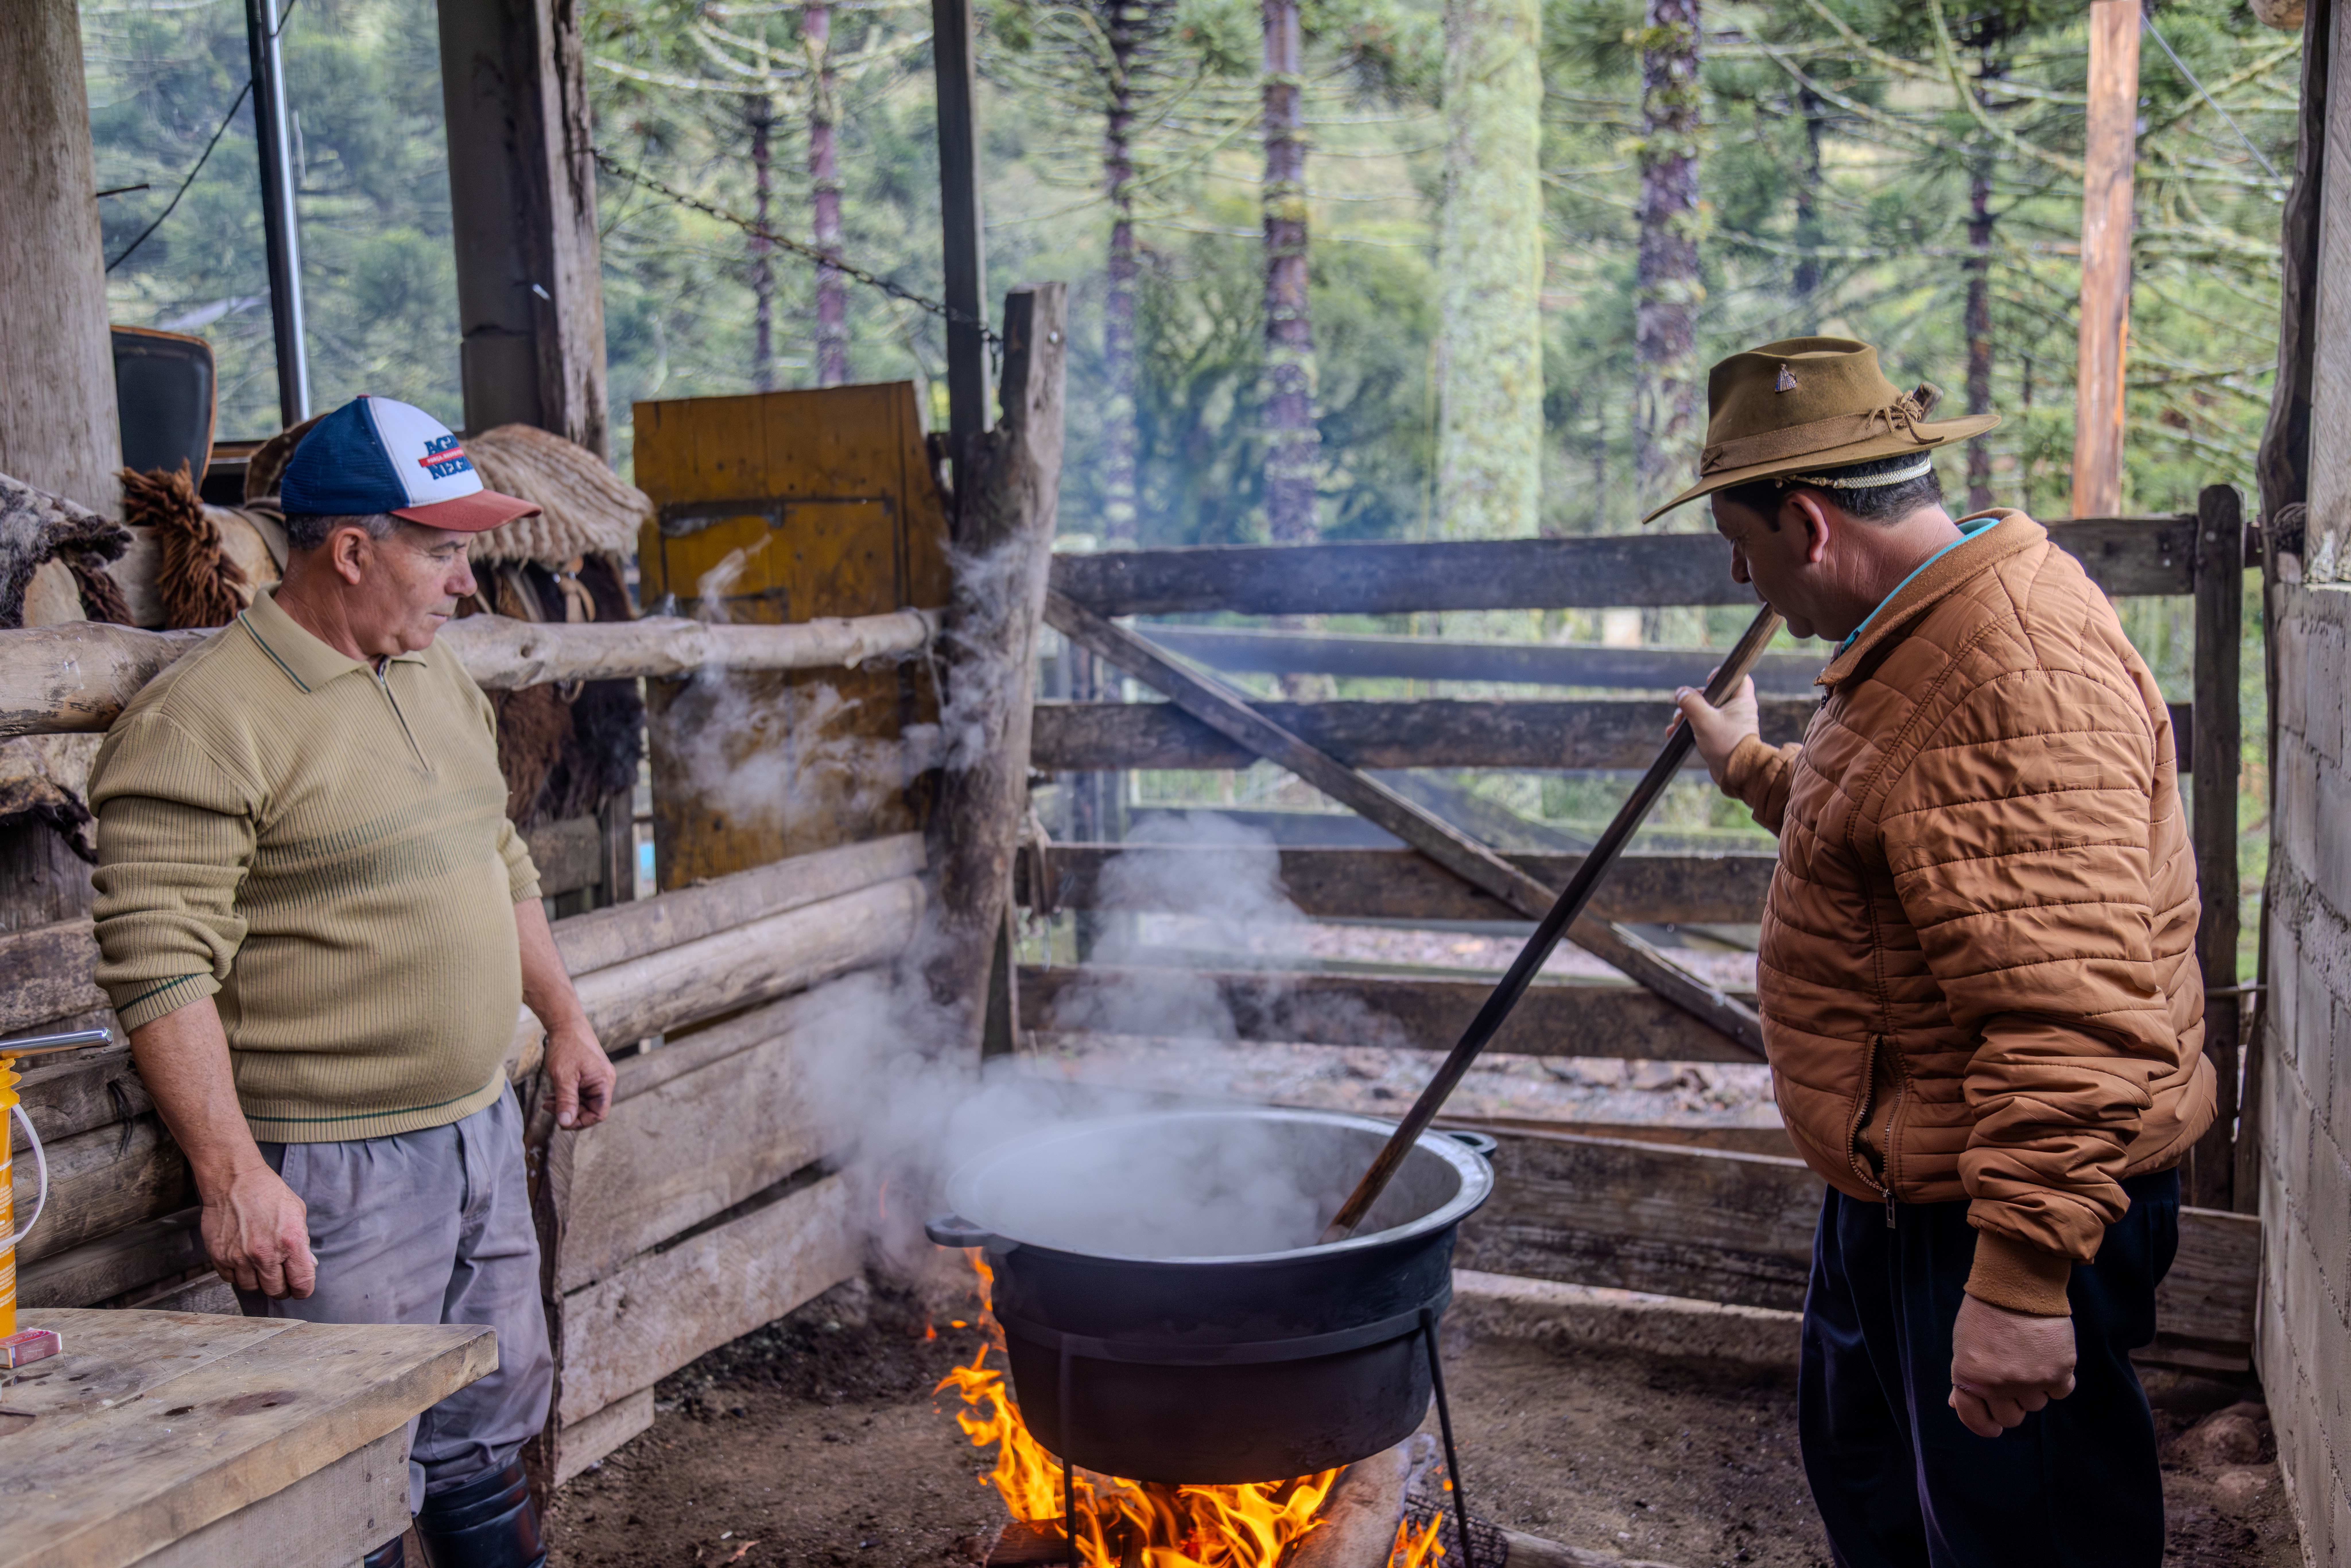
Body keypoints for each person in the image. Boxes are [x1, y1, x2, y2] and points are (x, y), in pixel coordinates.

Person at [1653, 339, 2214, 1567]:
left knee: (2022, 1537)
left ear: (1805, 522)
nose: (1740, 578)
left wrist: (2016, 1285)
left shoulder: (2007, 669)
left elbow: (2069, 1016)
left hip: (2004, 1197)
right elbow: (1917, 822)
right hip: (1920, 1175)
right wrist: (1750, 766)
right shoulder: (1926, 630)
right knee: (1892, 1504)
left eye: (1737, 546)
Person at [88, 395, 617, 1568]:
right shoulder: (208, 720)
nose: (469, 582)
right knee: (353, 1467)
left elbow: (500, 854)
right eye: (445, 550)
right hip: (334, 1167)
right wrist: (233, 1174)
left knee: (484, 1432)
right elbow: (159, 959)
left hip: (477, 1123)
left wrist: (564, 1018)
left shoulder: (432, 677)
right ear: (350, 550)